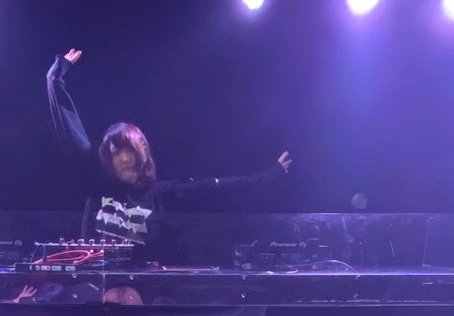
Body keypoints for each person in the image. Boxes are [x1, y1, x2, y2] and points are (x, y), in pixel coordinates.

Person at [45, 47, 292, 252]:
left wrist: (267, 177)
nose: (123, 159)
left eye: (128, 150)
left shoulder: (159, 194)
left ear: (141, 152)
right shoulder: (97, 184)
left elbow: (213, 187)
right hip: (97, 285)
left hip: (141, 287)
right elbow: (71, 133)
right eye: (115, 152)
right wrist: (56, 78)